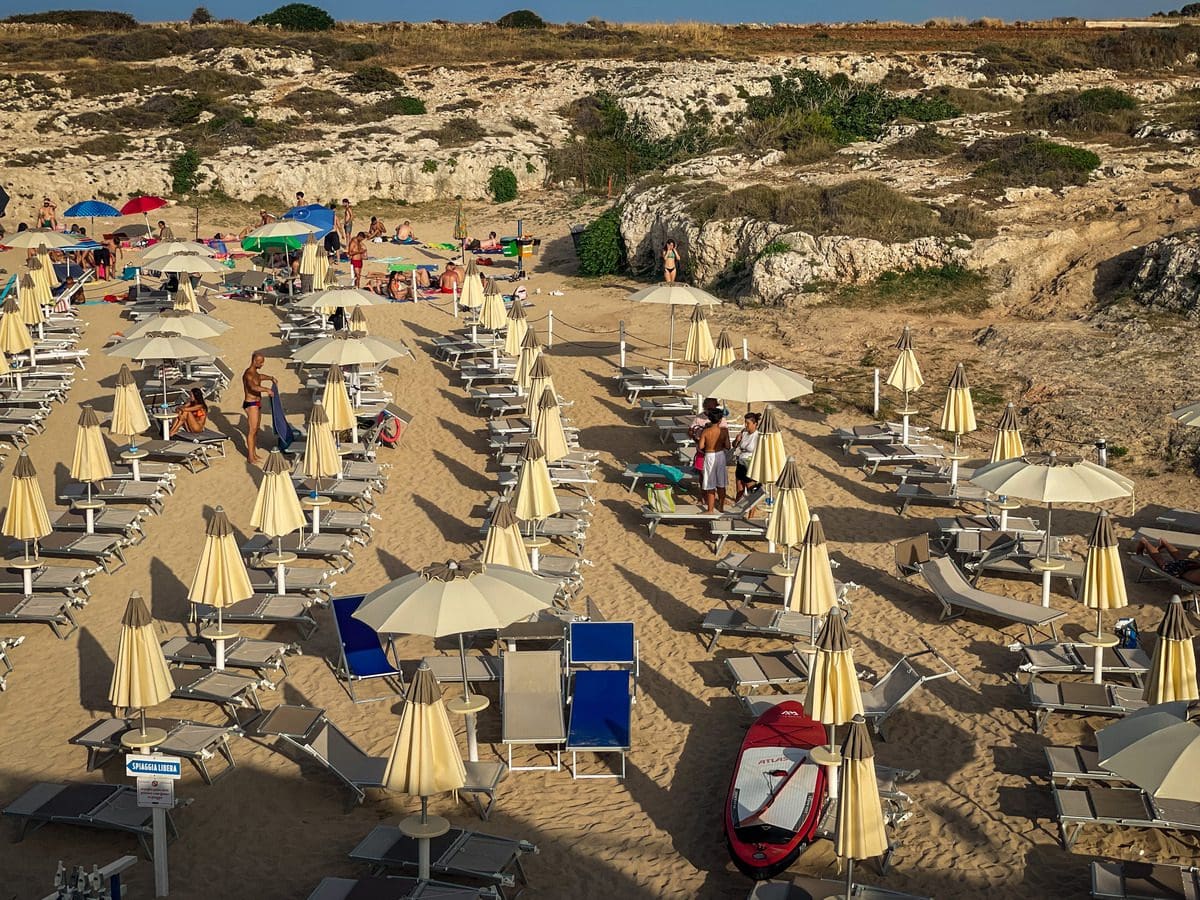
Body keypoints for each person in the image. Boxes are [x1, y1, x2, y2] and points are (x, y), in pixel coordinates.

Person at [242, 352, 275, 464]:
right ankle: (251, 457)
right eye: (261, 362)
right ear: (255, 361)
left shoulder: (255, 373)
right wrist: (267, 389)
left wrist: (271, 378)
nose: (262, 364)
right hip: (251, 404)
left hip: (256, 404)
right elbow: (253, 386)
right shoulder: (248, 374)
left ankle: (254, 453)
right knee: (252, 431)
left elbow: (260, 377)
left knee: (256, 430)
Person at [697, 407, 730, 513]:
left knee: (710, 483)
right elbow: (728, 446)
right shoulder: (724, 431)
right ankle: (721, 506)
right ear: (720, 420)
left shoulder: (706, 431)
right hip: (720, 455)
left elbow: (701, 446)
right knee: (721, 483)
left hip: (709, 455)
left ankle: (710, 509)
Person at [1132, 537, 1200, 583]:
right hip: (1181, 571)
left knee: (1182, 559)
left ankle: (1165, 543)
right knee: (1163, 564)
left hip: (1192, 567)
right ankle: (1145, 542)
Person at [730, 412, 761, 502]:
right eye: (745, 422)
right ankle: (736, 512)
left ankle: (751, 515)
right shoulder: (744, 432)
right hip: (740, 463)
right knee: (739, 490)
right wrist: (737, 440)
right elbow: (734, 445)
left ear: (755, 424)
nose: (746, 425)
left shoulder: (758, 436)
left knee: (751, 490)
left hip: (750, 465)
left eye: (748, 423)